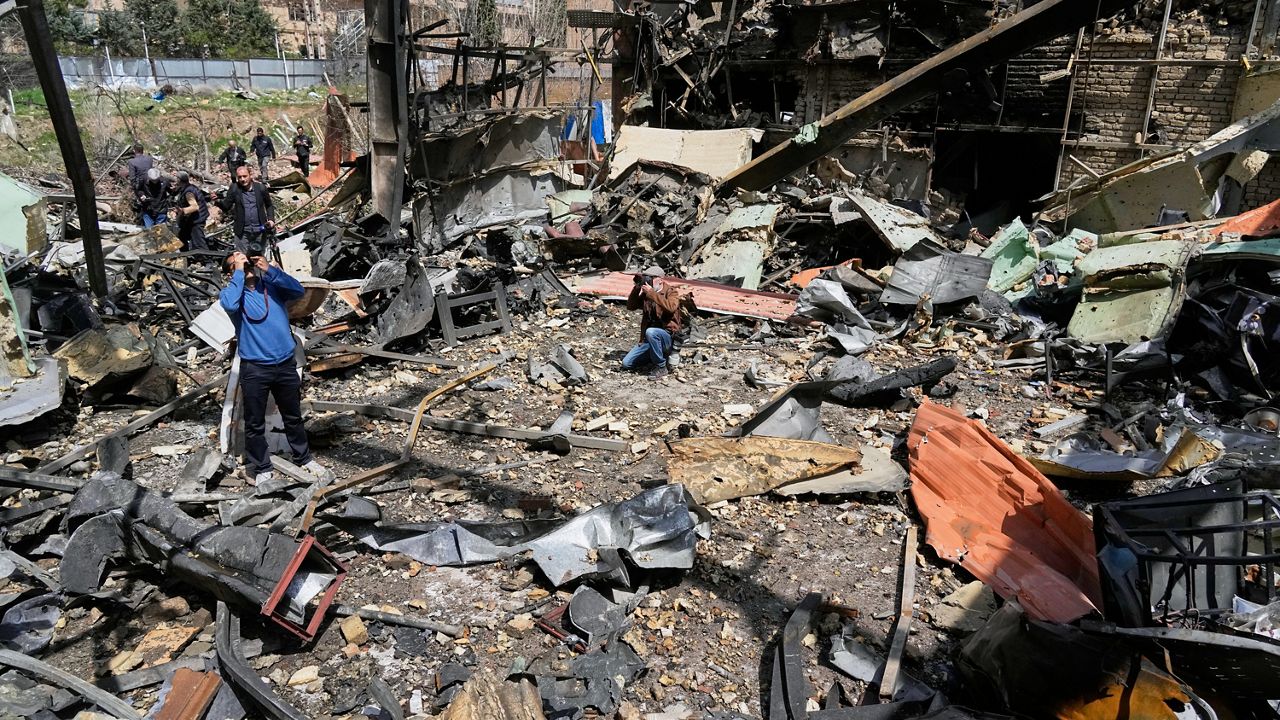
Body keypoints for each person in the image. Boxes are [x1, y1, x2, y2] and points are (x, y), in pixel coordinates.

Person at [218, 251, 331, 485]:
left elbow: (298, 291)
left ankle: (304, 458)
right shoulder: (233, 295)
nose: (245, 263)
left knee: (292, 416)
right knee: (255, 421)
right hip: (256, 368)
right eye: (236, 261)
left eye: (245, 259)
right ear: (230, 272)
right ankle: (262, 467)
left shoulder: (271, 286)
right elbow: (228, 304)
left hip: (284, 364)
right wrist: (239, 272)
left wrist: (270, 270)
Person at [622, 273, 685, 378]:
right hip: (650, 338)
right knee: (626, 363)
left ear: (660, 279)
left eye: (651, 278)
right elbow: (630, 306)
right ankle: (656, 355)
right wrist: (637, 288)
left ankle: (661, 366)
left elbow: (671, 307)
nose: (648, 281)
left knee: (651, 332)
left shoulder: (671, 292)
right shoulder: (647, 294)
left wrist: (652, 293)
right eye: (646, 278)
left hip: (668, 337)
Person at [213, 165, 276, 253]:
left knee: (260, 259)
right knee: (242, 259)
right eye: (240, 177)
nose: (242, 179)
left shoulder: (260, 188)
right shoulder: (234, 188)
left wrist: (271, 220)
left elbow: (269, 205)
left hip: (260, 230)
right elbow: (226, 206)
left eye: (245, 176)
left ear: (250, 175)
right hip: (242, 232)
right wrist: (217, 201)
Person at [169, 171, 209, 252]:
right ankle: (186, 256)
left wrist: (182, 210)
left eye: (177, 178)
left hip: (197, 219)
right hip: (191, 219)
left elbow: (195, 207)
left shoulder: (188, 192)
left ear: (179, 180)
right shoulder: (188, 187)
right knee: (182, 237)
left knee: (198, 242)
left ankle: (208, 261)